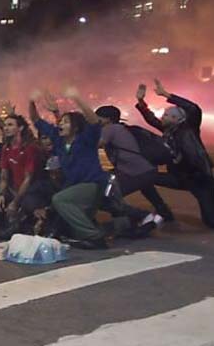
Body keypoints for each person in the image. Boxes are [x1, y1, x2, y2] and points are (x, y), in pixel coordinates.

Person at [37, 92, 156, 249]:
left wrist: (77, 99)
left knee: (69, 200)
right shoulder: (63, 143)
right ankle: (129, 223)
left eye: (65, 122)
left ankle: (100, 235)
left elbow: (93, 127)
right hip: (85, 184)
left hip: (97, 182)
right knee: (94, 210)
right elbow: (46, 125)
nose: (60, 125)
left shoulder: (91, 137)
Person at [135, 79, 214, 228]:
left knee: (211, 221)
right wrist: (141, 101)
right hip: (178, 177)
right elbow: (151, 119)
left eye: (166, 115)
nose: (162, 117)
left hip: (199, 178)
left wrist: (165, 94)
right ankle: (163, 211)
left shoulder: (189, 129)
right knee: (142, 177)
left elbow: (193, 108)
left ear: (177, 119)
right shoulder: (169, 130)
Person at [95, 104, 174, 221]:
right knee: (146, 186)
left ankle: (140, 219)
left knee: (110, 196)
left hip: (136, 172)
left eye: (98, 117)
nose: (95, 120)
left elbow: (94, 144)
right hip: (147, 169)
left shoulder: (109, 129)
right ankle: (165, 213)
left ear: (108, 119)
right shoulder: (121, 127)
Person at [0, 114, 53, 240]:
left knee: (27, 203)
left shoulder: (30, 148)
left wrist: (15, 202)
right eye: (5, 125)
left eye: (10, 125)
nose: (6, 128)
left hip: (32, 190)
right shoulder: (6, 148)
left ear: (20, 128)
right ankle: (5, 222)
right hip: (15, 188)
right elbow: (4, 176)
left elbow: (28, 179)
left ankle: (38, 221)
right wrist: (1, 194)